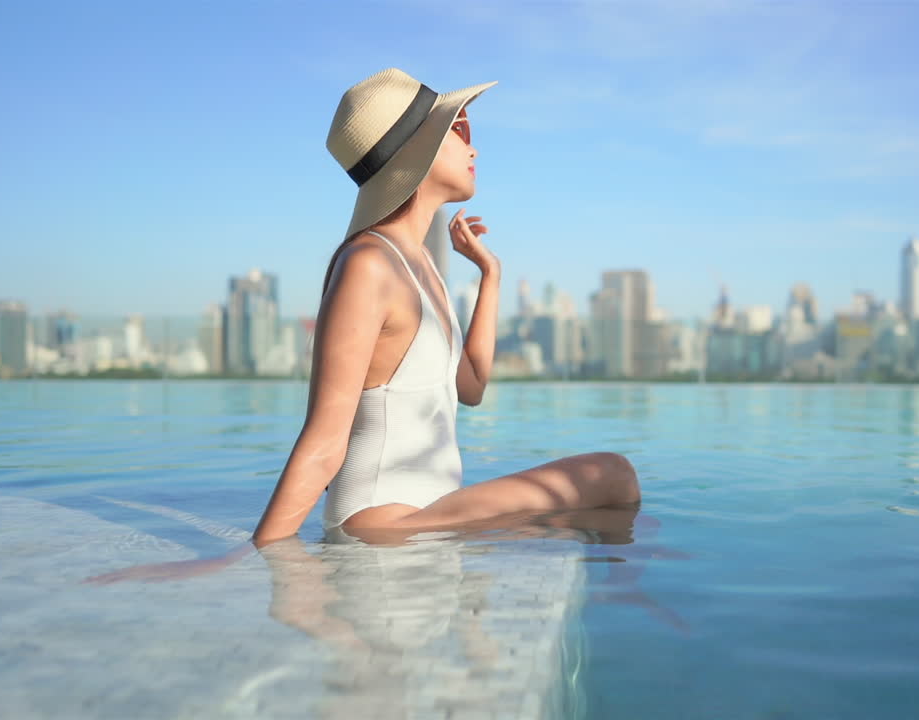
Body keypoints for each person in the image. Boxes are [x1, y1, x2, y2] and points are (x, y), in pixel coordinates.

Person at [251, 68, 640, 548]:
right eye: (458, 131)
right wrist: (257, 556)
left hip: (427, 517)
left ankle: (632, 595)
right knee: (614, 476)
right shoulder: (369, 265)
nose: (474, 148)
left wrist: (489, 277)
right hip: (382, 523)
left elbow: (471, 387)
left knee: (609, 504)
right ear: (419, 150)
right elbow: (324, 439)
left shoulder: (423, 266)